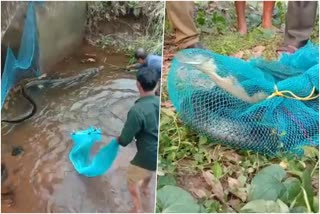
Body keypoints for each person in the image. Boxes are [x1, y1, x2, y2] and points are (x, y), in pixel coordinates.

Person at [116, 67, 159, 213]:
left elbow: (124, 140)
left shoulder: (137, 110)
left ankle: (138, 208)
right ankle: (146, 187)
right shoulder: (159, 102)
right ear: (157, 84)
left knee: (131, 180)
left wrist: (118, 139)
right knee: (150, 168)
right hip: (156, 155)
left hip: (148, 154)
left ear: (138, 85)